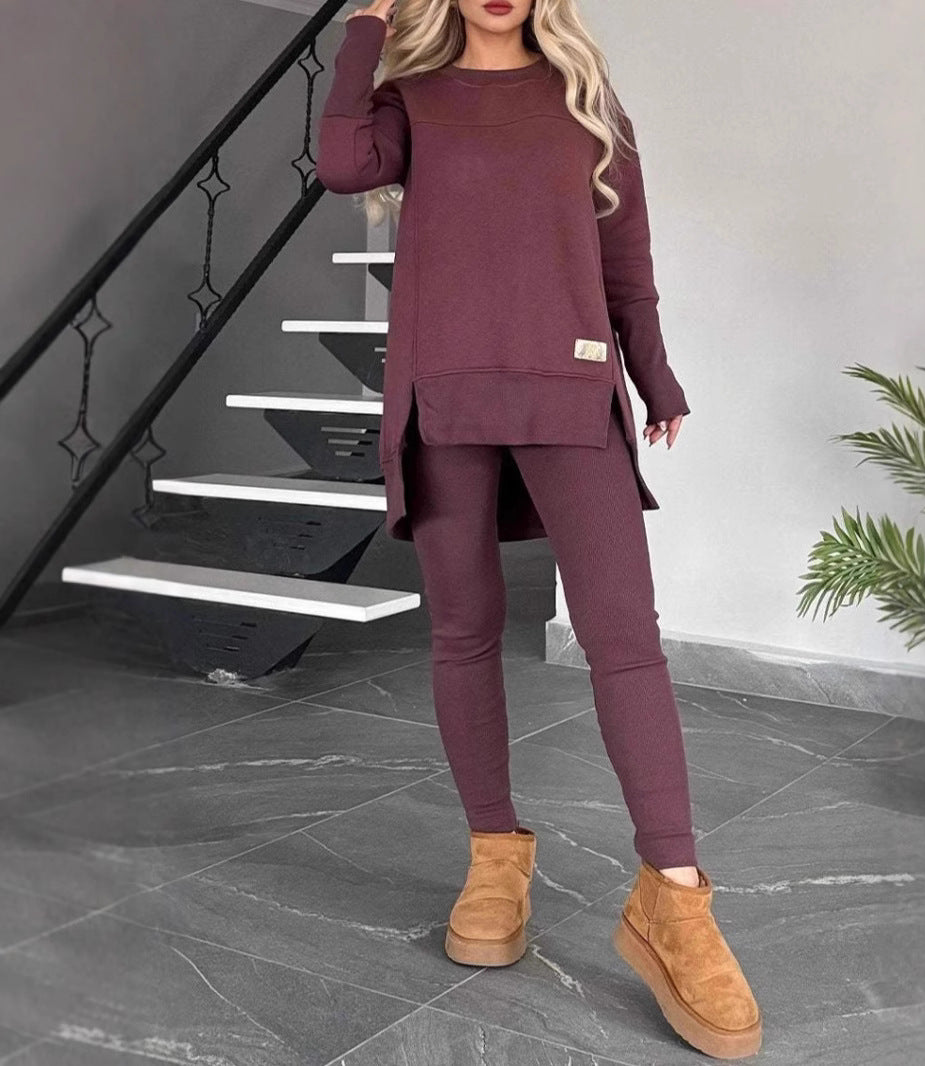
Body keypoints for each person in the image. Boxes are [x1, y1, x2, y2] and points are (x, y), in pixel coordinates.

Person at [316, 0, 761, 1058]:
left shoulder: (586, 98)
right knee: (464, 632)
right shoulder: (411, 99)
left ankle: (674, 894)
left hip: (569, 385)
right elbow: (340, 163)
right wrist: (365, 24)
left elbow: (625, 261)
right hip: (442, 396)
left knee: (625, 638)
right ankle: (493, 857)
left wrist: (654, 374)